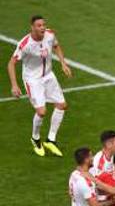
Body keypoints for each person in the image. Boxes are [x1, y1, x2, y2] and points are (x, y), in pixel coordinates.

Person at [7, 15, 72, 157]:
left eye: (43, 25)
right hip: (33, 79)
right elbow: (11, 63)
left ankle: (51, 140)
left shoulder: (50, 34)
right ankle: (35, 138)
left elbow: (56, 46)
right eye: (39, 25)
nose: (42, 27)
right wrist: (14, 85)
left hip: (48, 76)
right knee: (42, 112)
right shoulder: (25, 44)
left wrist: (63, 63)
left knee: (62, 105)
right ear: (32, 27)